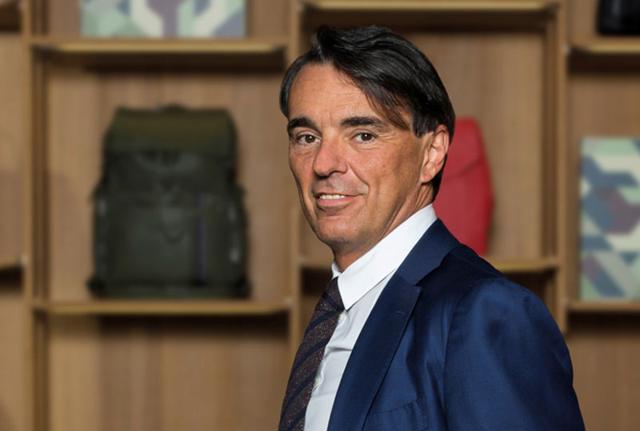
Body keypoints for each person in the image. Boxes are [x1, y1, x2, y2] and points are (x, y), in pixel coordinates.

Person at [278, 26, 584, 431]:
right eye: (306, 137)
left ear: (433, 153)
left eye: (363, 135)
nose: (323, 163)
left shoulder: (485, 313)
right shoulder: (336, 315)